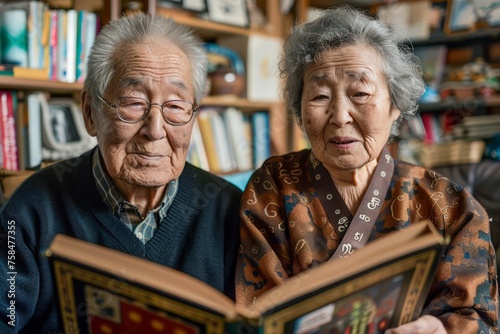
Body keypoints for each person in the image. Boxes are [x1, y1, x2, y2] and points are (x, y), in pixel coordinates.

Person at [235, 6, 498, 333]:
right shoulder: (273, 186)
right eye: (319, 96)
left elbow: (480, 317)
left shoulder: (452, 206)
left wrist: (438, 327)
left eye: (360, 93)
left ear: (395, 104)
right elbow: (256, 314)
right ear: (300, 112)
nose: (340, 116)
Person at [0, 13, 242, 333]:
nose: (155, 130)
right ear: (90, 113)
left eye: (175, 106)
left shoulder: (229, 209)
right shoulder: (30, 209)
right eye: (133, 102)